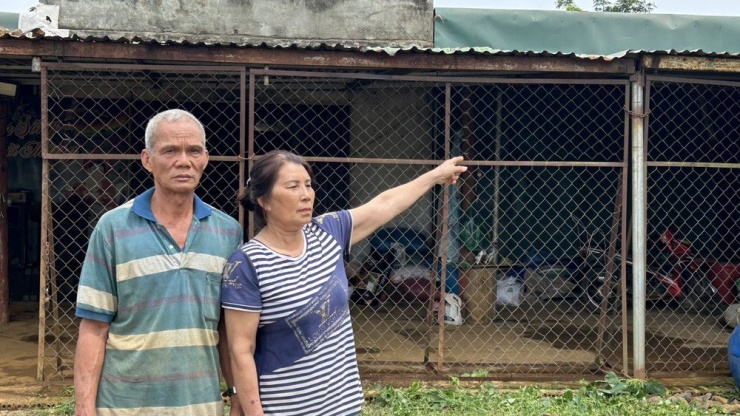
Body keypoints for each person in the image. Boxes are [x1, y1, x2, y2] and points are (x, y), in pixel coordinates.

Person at [222, 150, 466, 415]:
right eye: (293, 187)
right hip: (284, 408)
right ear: (264, 200)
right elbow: (241, 350)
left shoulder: (328, 232)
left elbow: (384, 204)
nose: (306, 194)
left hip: (344, 406)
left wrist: (435, 176)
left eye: (308, 185)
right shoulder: (246, 264)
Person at [73, 109, 243, 416]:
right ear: (147, 159)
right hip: (124, 407)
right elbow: (94, 327)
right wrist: (85, 408)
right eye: (170, 151)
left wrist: (237, 395)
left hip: (201, 407)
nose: (183, 161)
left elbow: (228, 329)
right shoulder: (112, 228)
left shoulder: (229, 232)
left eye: (193, 151)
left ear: (205, 158)